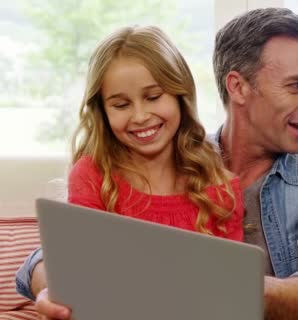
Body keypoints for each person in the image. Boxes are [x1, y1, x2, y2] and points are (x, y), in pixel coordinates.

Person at [19, 8, 298, 320]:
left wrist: (169, 281)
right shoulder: (155, 159)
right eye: (296, 86)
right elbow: (65, 253)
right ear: (238, 87)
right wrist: (55, 283)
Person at [15, 25, 244, 317]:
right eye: (121, 104)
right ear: (103, 111)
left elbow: (229, 295)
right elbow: (81, 275)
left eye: (153, 97)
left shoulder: (218, 186)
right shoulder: (93, 176)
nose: (139, 116)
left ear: (179, 94)